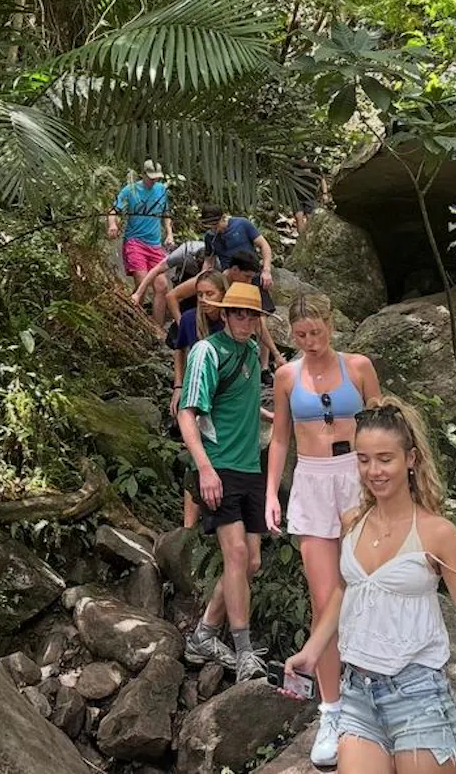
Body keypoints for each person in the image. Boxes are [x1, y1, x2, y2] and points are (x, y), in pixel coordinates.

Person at [285, 402, 456, 773]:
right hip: (358, 693)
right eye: (363, 459)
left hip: (419, 694)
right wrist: (312, 652)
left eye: (385, 459)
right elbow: (345, 591)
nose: (373, 471)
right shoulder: (352, 521)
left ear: (410, 459)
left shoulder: (438, 533)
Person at [265, 292, 383, 768]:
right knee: (324, 598)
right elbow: (279, 438)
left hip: (358, 478)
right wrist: (271, 492)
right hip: (312, 481)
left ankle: (375, 697)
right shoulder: (287, 376)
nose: (310, 342)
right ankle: (332, 709)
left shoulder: (359, 367)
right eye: (300, 336)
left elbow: (384, 426)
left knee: (371, 589)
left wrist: (394, 486)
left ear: (331, 326)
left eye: (316, 333)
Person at [178, 281, 273, 681]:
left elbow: (245, 403)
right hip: (219, 467)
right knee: (235, 555)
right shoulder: (207, 352)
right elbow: (188, 412)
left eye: (251, 315)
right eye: (238, 313)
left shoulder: (251, 351)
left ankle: (203, 635)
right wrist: (204, 468)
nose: (245, 321)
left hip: (250, 466)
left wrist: (277, 418)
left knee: (250, 563)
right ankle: (245, 651)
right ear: (224, 313)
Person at [169, 269, 228, 528]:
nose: (204, 299)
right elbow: (179, 351)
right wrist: (178, 385)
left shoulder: (231, 321)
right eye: (200, 294)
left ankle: (219, 514)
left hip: (223, 393)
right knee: (198, 456)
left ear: (223, 294)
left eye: (210, 294)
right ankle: (188, 527)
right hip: (197, 392)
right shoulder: (190, 319)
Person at [167, 250, 281, 377]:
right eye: (247, 277)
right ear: (235, 270)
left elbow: (259, 324)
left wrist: (275, 354)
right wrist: (181, 322)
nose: (249, 281)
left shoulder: (237, 297)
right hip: (195, 321)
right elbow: (172, 296)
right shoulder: (209, 279)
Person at [108, 161, 174, 324]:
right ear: (143, 174)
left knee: (162, 286)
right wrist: (112, 224)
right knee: (142, 285)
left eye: (156, 178)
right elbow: (113, 211)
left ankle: (157, 328)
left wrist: (169, 234)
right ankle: (139, 325)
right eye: (151, 178)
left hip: (155, 244)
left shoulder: (161, 190)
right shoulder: (130, 190)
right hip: (135, 242)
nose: (154, 181)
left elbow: (166, 214)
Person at [200, 203, 274, 288]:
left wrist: (266, 270)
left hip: (251, 272)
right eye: (211, 227)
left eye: (216, 226)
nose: (214, 229)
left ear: (223, 217)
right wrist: (203, 278)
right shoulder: (210, 237)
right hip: (230, 276)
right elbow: (208, 261)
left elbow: (264, 245)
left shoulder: (242, 224)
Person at [132, 238, 208, 314]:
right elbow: (156, 270)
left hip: (208, 276)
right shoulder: (182, 253)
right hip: (187, 271)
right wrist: (138, 294)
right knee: (184, 304)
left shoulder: (216, 260)